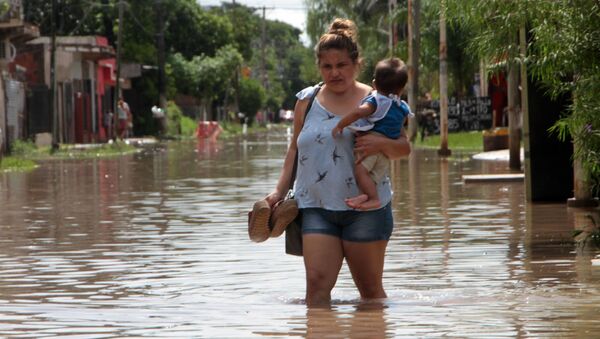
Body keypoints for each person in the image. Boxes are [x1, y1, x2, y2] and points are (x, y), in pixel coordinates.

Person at [258, 18, 411, 306]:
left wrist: (381, 143)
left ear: (356, 64)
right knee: (316, 290)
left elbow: (404, 148)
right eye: (327, 66)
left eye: (341, 65)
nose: (334, 72)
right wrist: (278, 192)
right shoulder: (307, 100)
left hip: (366, 210)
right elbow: (294, 150)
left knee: (370, 294)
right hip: (316, 208)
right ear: (319, 67)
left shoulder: (376, 101)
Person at [331, 57, 411, 210]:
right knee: (371, 176)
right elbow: (400, 128)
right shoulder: (402, 107)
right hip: (385, 153)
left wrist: (341, 124)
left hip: (371, 145)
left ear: (374, 84)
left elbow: (359, 112)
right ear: (401, 89)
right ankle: (365, 194)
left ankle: (373, 198)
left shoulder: (377, 101)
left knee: (361, 171)